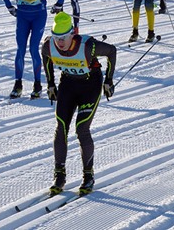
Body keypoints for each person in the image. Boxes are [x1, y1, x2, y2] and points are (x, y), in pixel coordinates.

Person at [41, 12, 117, 196]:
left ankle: (88, 176)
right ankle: (59, 175)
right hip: (68, 85)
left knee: (82, 128)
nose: (60, 42)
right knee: (61, 126)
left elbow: (111, 51)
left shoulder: (88, 46)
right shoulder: (48, 47)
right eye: (57, 37)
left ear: (73, 34)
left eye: (64, 37)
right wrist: (50, 84)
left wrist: (108, 80)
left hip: (90, 85)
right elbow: (46, 60)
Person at [0, 0, 68, 98]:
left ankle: (37, 85)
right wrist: (9, 6)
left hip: (38, 16)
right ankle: (17, 84)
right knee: (20, 49)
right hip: (22, 16)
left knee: (33, 48)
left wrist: (59, 4)